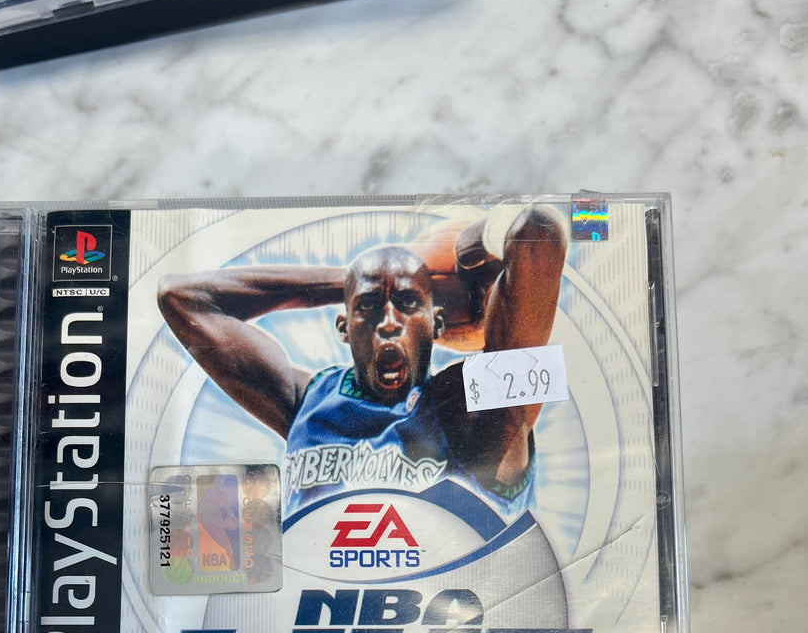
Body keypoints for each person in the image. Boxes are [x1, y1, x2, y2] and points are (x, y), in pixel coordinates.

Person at [157, 208, 566, 517]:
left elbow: (540, 234)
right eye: (368, 306)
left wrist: (480, 238)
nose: (388, 322)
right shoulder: (308, 400)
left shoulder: (465, 407)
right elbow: (180, 297)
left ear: (437, 324)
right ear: (344, 327)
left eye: (408, 303)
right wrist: (356, 277)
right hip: (316, 600)